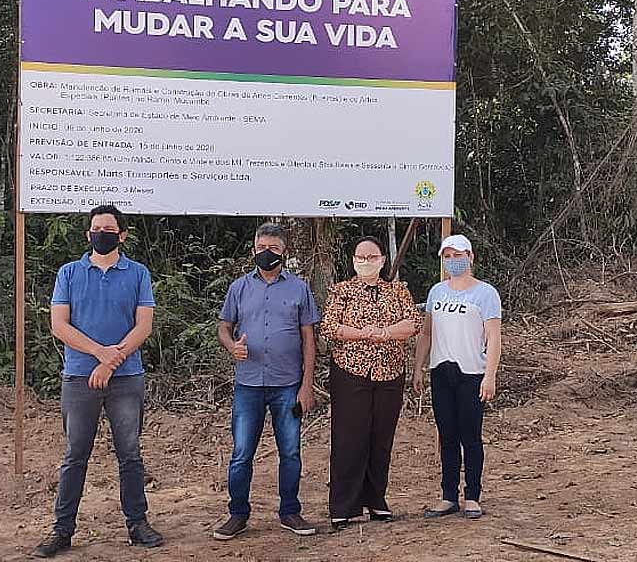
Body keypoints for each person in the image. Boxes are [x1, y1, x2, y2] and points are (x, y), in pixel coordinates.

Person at [32, 204, 164, 557]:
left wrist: (111, 360)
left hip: (127, 378)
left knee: (130, 454)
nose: (101, 234)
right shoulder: (69, 273)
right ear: (87, 234)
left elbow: (144, 326)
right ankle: (62, 530)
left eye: (109, 229)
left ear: (121, 235)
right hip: (78, 377)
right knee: (75, 455)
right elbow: (59, 325)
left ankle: (138, 523)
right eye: (96, 228)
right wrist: (100, 354)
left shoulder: (137, 274)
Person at [212, 223, 320, 540]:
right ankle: (237, 514)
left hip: (288, 384)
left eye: (273, 248)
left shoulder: (299, 288)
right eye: (261, 247)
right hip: (248, 385)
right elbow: (223, 326)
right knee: (242, 452)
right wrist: (232, 345)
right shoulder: (239, 288)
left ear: (284, 252)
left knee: (290, 452)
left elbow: (309, 340)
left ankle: (290, 511)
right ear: (253, 250)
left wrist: (306, 384)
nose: (266, 253)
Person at [318, 236, 422, 529]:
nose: (366, 261)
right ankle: (343, 506)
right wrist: (364, 334)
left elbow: (413, 323)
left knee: (381, 439)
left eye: (372, 256)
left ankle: (376, 500)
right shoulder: (341, 291)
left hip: (390, 374)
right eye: (360, 257)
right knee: (350, 439)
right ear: (353, 260)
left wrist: (385, 334)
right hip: (351, 373)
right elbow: (329, 326)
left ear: (382, 260)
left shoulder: (398, 291)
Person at [412, 234, 502, 519]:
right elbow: (427, 332)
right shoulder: (437, 292)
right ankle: (448, 495)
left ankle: (472, 496)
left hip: (471, 373)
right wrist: (418, 367)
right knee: (447, 436)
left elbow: (494, 336)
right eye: (448, 256)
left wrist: (490, 376)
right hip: (442, 371)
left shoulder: (486, 294)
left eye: (458, 255)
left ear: (471, 257)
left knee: (470, 437)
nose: (453, 261)